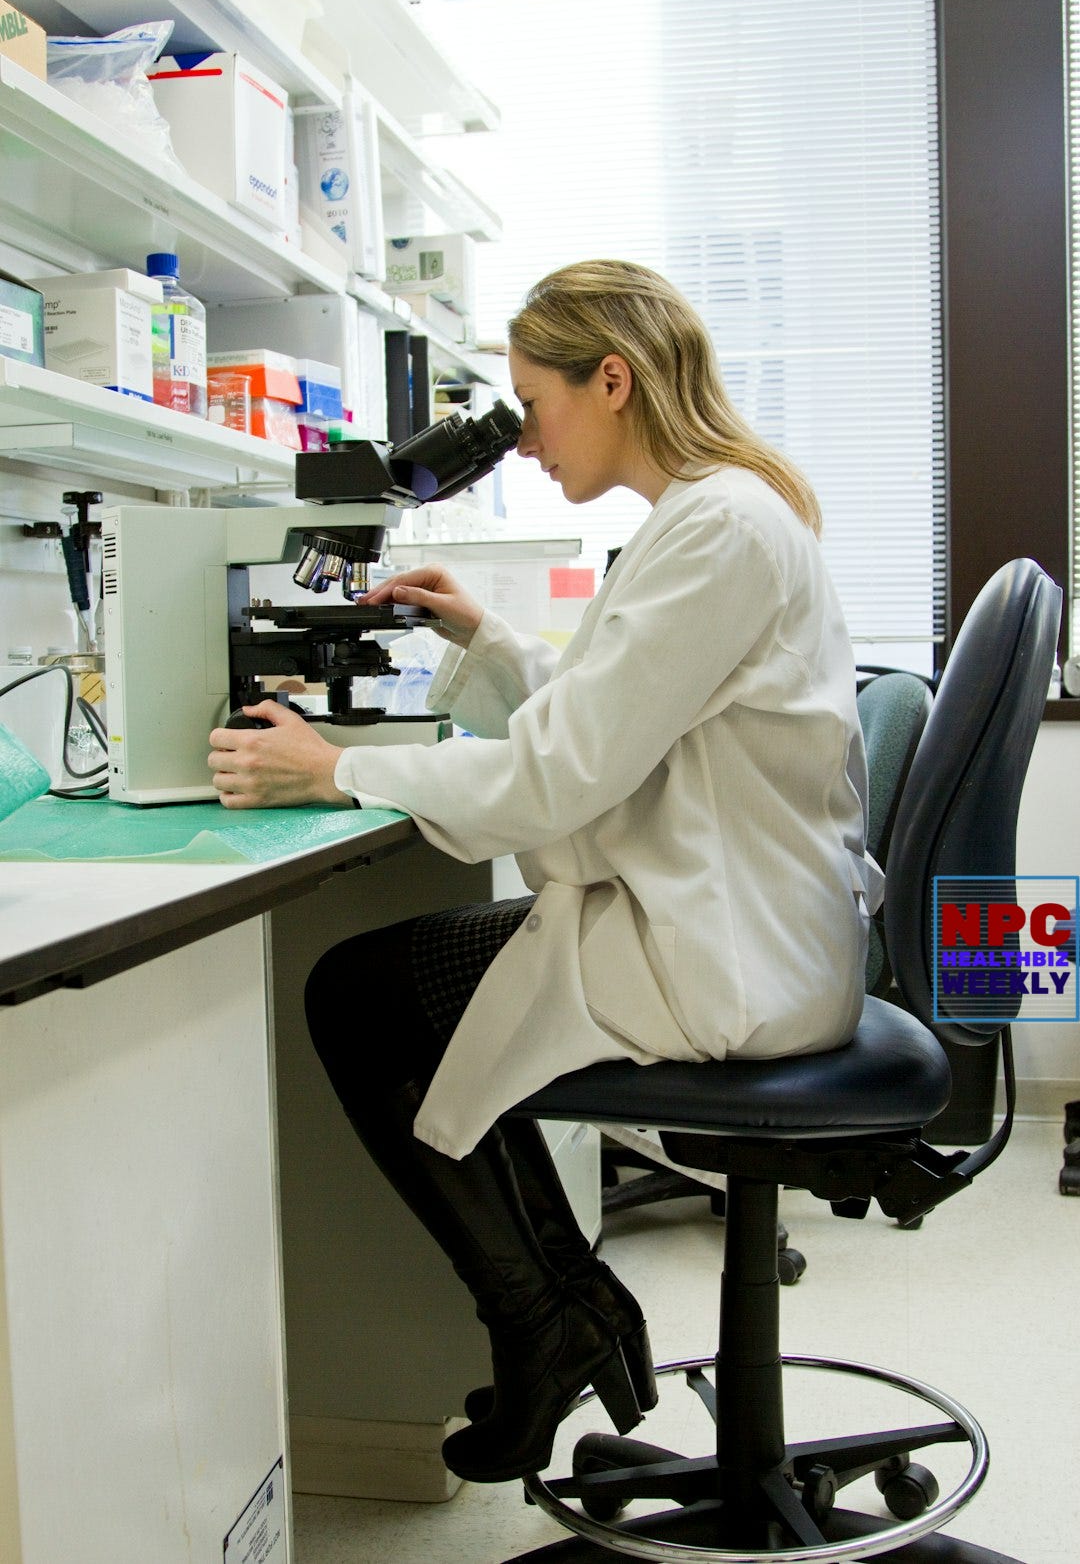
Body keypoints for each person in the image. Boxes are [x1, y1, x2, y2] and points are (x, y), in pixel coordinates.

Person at [207, 259, 881, 1485]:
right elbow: (618, 717)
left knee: (360, 998)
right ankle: (559, 1305)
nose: (523, 442)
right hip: (727, 919)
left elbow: (559, 778)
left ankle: (545, 1315)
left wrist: (336, 766)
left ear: (611, 381)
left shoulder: (717, 530)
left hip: (724, 949)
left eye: (535, 403)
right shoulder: (713, 517)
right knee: (419, 999)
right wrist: (492, 638)